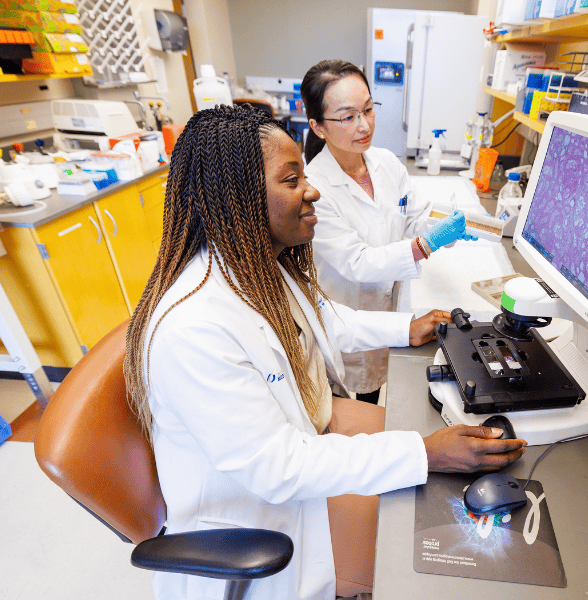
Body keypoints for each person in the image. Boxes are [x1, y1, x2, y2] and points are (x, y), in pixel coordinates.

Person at [124, 105, 525, 600]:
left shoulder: (256, 265)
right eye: (292, 180)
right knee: (441, 560)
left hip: (306, 446)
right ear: (234, 200)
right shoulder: (194, 329)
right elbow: (277, 467)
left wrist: (410, 326)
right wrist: (422, 452)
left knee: (435, 455)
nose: (312, 191)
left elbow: (325, 321)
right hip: (265, 523)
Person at [302, 59, 476, 405]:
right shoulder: (315, 187)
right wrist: (425, 245)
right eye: (348, 117)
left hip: (387, 308)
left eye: (368, 110)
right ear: (318, 127)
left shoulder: (387, 163)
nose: (364, 125)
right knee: (342, 397)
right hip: (344, 311)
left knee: (377, 385)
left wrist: (443, 227)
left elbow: (413, 219)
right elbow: (358, 262)